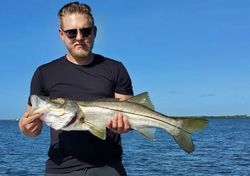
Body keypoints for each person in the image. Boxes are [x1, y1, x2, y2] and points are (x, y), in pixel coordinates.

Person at [19, 2, 134, 176]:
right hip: (60, 169)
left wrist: (126, 125)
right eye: (72, 32)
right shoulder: (44, 73)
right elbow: (27, 120)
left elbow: (132, 114)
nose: (79, 37)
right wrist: (26, 128)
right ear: (61, 34)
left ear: (94, 32)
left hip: (108, 167)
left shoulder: (115, 68)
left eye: (85, 31)